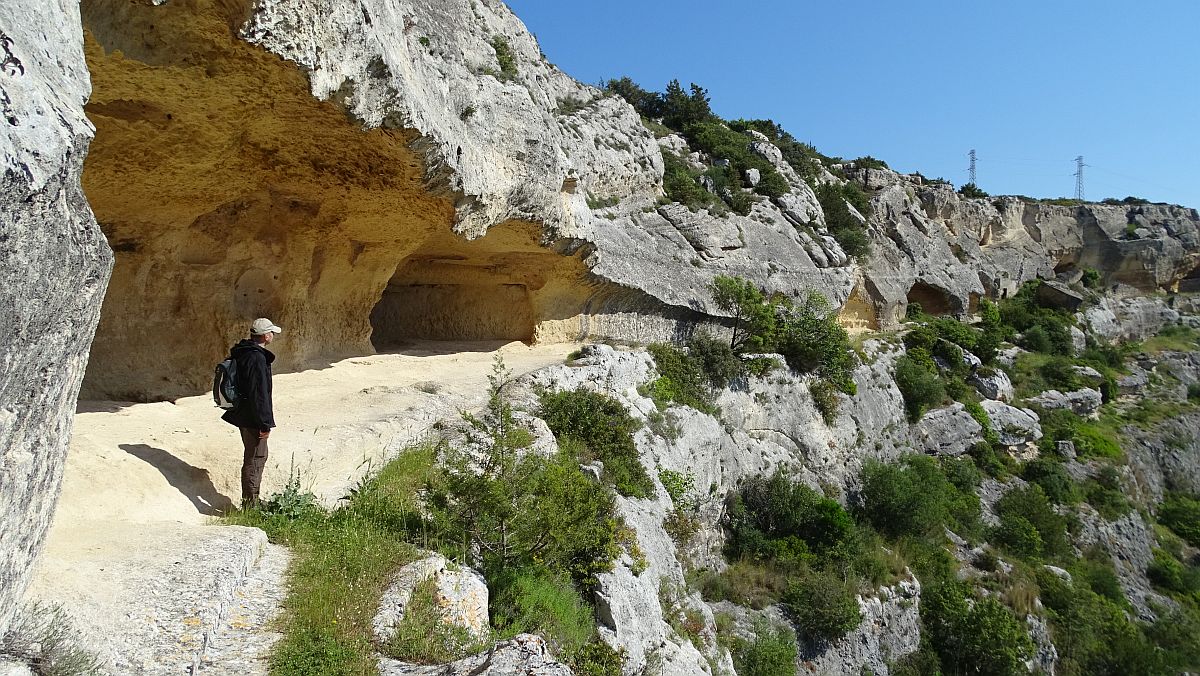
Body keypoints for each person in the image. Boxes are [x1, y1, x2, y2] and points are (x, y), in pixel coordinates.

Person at [221, 317, 282, 508]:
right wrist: (264, 424)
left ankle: (251, 499)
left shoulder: (243, 352)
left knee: (253, 455)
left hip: (242, 414)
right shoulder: (256, 358)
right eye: (271, 332)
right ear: (265, 335)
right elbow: (259, 394)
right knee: (256, 458)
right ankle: (250, 504)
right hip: (252, 418)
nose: (273, 335)